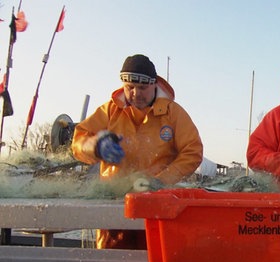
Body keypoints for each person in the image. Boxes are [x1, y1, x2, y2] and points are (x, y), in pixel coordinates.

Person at [72, 54, 203, 249]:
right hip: (114, 205)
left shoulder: (174, 114)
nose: (135, 93)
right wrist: (95, 146)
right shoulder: (109, 111)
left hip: (156, 206)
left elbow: (193, 152)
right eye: (130, 87)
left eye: (142, 88)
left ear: (154, 85)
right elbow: (78, 143)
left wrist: (161, 181)